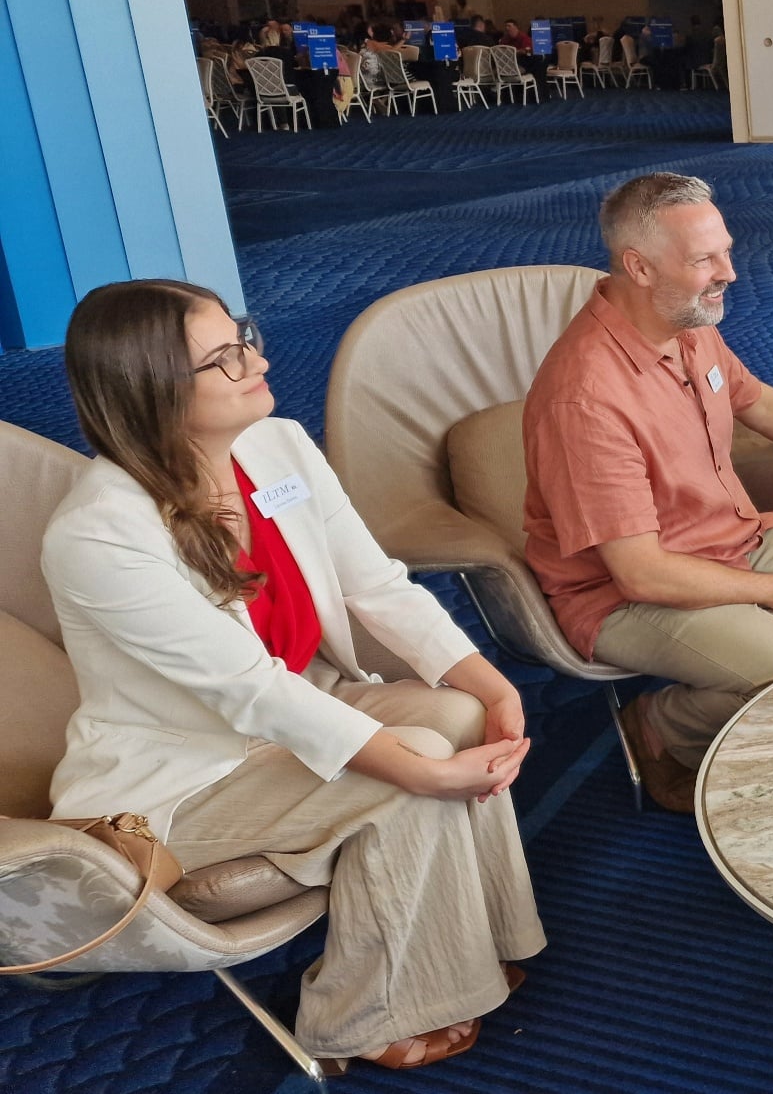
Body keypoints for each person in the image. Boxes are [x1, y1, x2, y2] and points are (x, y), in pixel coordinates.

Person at [42, 280, 546, 1074]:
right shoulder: (99, 534)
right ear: (154, 391)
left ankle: (475, 946)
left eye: (244, 337)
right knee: (411, 765)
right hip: (191, 770)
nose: (258, 361)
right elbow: (252, 690)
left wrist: (490, 684)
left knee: (458, 716)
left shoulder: (278, 445)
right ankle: (359, 1016)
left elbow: (376, 585)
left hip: (302, 696)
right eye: (225, 357)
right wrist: (418, 767)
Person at [523, 173, 773, 814]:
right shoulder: (586, 397)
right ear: (639, 267)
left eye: (726, 251)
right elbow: (641, 573)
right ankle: (663, 725)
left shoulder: (687, 325)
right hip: (625, 595)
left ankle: (765, 690)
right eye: (705, 260)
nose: (729, 272)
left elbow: (753, 398)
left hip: (725, 542)